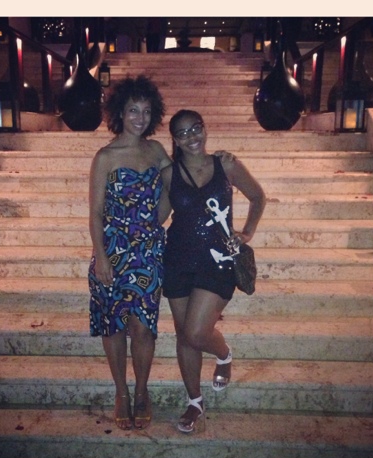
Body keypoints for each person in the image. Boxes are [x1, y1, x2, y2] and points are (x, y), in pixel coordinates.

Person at [160, 109, 266, 433]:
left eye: (196, 128)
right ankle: (195, 402)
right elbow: (158, 217)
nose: (191, 136)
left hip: (217, 261)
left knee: (195, 332)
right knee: (184, 335)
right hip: (178, 259)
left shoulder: (226, 164)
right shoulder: (169, 174)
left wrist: (246, 232)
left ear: (205, 129)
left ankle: (224, 353)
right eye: (182, 133)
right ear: (175, 140)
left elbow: (258, 196)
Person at [88, 75, 172, 430]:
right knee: (113, 326)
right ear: (120, 113)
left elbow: (172, 192)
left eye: (146, 111)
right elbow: (95, 212)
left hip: (148, 253)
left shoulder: (156, 151)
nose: (140, 117)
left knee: (143, 327)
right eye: (133, 110)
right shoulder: (105, 157)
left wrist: (154, 222)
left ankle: (141, 391)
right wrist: (101, 256)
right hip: (113, 250)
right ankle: (121, 392)